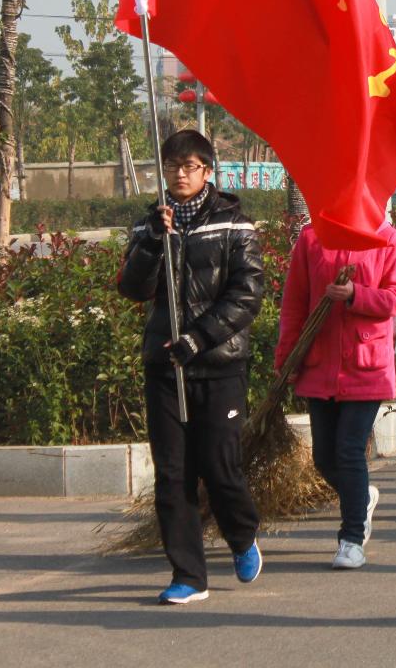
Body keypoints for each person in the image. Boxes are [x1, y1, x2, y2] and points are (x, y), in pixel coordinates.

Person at [116, 130, 264, 605]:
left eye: (189, 166)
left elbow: (247, 294)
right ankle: (188, 575)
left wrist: (199, 338)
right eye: (172, 166)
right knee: (173, 474)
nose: (179, 175)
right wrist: (152, 242)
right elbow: (133, 288)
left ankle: (241, 534)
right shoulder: (150, 224)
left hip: (218, 364)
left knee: (219, 467)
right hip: (165, 366)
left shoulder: (233, 224)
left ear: (207, 171)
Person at [275, 219, 396, 569]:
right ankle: (360, 496)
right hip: (320, 364)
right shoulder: (311, 237)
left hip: (367, 365)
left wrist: (355, 294)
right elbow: (294, 302)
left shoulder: (386, 237)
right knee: (324, 457)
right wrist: (287, 357)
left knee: (349, 451)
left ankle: (351, 539)